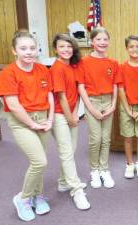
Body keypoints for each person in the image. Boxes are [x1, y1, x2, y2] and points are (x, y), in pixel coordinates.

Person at [0, 30, 53, 221]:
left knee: (39, 161)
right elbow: (13, 105)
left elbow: (50, 96)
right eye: (23, 48)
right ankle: (23, 198)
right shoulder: (8, 73)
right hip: (22, 122)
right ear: (14, 51)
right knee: (40, 161)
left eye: (32, 48)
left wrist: (51, 118)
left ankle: (37, 196)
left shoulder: (43, 70)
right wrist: (32, 124)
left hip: (43, 118)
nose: (28, 52)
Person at [50, 33, 90, 210]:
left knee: (70, 150)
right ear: (55, 49)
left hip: (71, 113)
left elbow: (77, 93)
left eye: (68, 46)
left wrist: (75, 114)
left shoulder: (74, 66)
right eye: (61, 47)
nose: (66, 50)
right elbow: (62, 97)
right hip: (59, 115)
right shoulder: (57, 68)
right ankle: (76, 189)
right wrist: (69, 118)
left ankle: (62, 181)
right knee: (66, 152)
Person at [78, 27, 118, 189]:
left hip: (108, 100)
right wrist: (90, 108)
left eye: (105, 39)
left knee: (106, 139)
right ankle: (94, 170)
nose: (102, 42)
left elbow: (115, 85)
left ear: (108, 41)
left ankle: (104, 169)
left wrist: (113, 105)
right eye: (98, 39)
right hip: (91, 101)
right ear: (92, 42)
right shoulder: (84, 62)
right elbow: (81, 86)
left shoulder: (113, 63)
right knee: (96, 139)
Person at [116, 35, 138, 179]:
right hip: (126, 105)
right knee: (128, 137)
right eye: (131, 47)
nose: (135, 49)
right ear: (126, 49)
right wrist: (128, 109)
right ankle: (129, 164)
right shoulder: (121, 67)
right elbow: (120, 89)